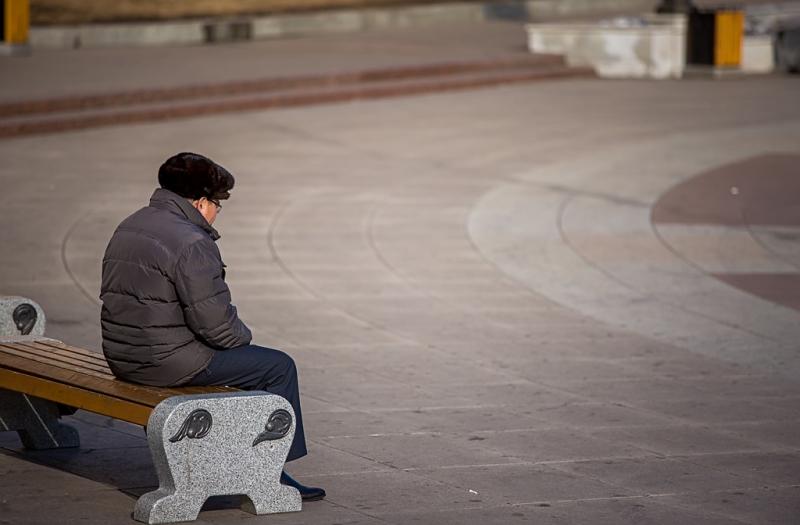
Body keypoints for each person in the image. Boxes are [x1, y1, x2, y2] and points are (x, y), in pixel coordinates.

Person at [100, 152, 324, 501]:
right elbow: (216, 326)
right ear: (201, 202)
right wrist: (245, 340)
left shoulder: (131, 223)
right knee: (277, 366)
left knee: (253, 362)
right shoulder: (191, 242)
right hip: (165, 362)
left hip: (122, 355)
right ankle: (271, 471)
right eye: (218, 204)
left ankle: (251, 459)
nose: (218, 212)